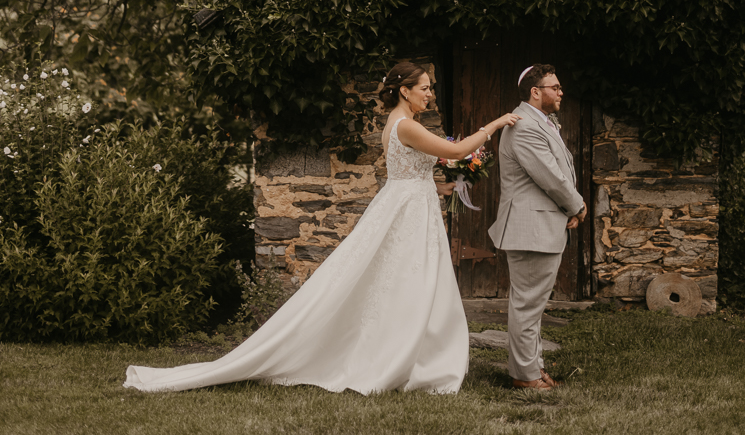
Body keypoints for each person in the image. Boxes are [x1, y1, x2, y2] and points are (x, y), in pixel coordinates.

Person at [124, 59, 520, 396]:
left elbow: (415, 170)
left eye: (430, 89)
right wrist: (497, 122)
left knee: (410, 280)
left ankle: (415, 353)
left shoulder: (400, 122)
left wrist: (441, 183)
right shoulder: (405, 124)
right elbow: (454, 150)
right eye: (424, 88)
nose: (429, 94)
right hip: (407, 210)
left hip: (411, 204)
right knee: (405, 279)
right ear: (404, 91)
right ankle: (402, 358)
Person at [488, 63, 587, 390]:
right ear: (535, 91)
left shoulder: (537, 122)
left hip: (539, 225)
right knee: (528, 306)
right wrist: (577, 205)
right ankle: (525, 377)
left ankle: (532, 368)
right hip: (530, 228)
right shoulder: (525, 126)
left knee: (531, 305)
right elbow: (550, 177)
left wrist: (565, 209)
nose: (560, 92)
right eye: (554, 87)